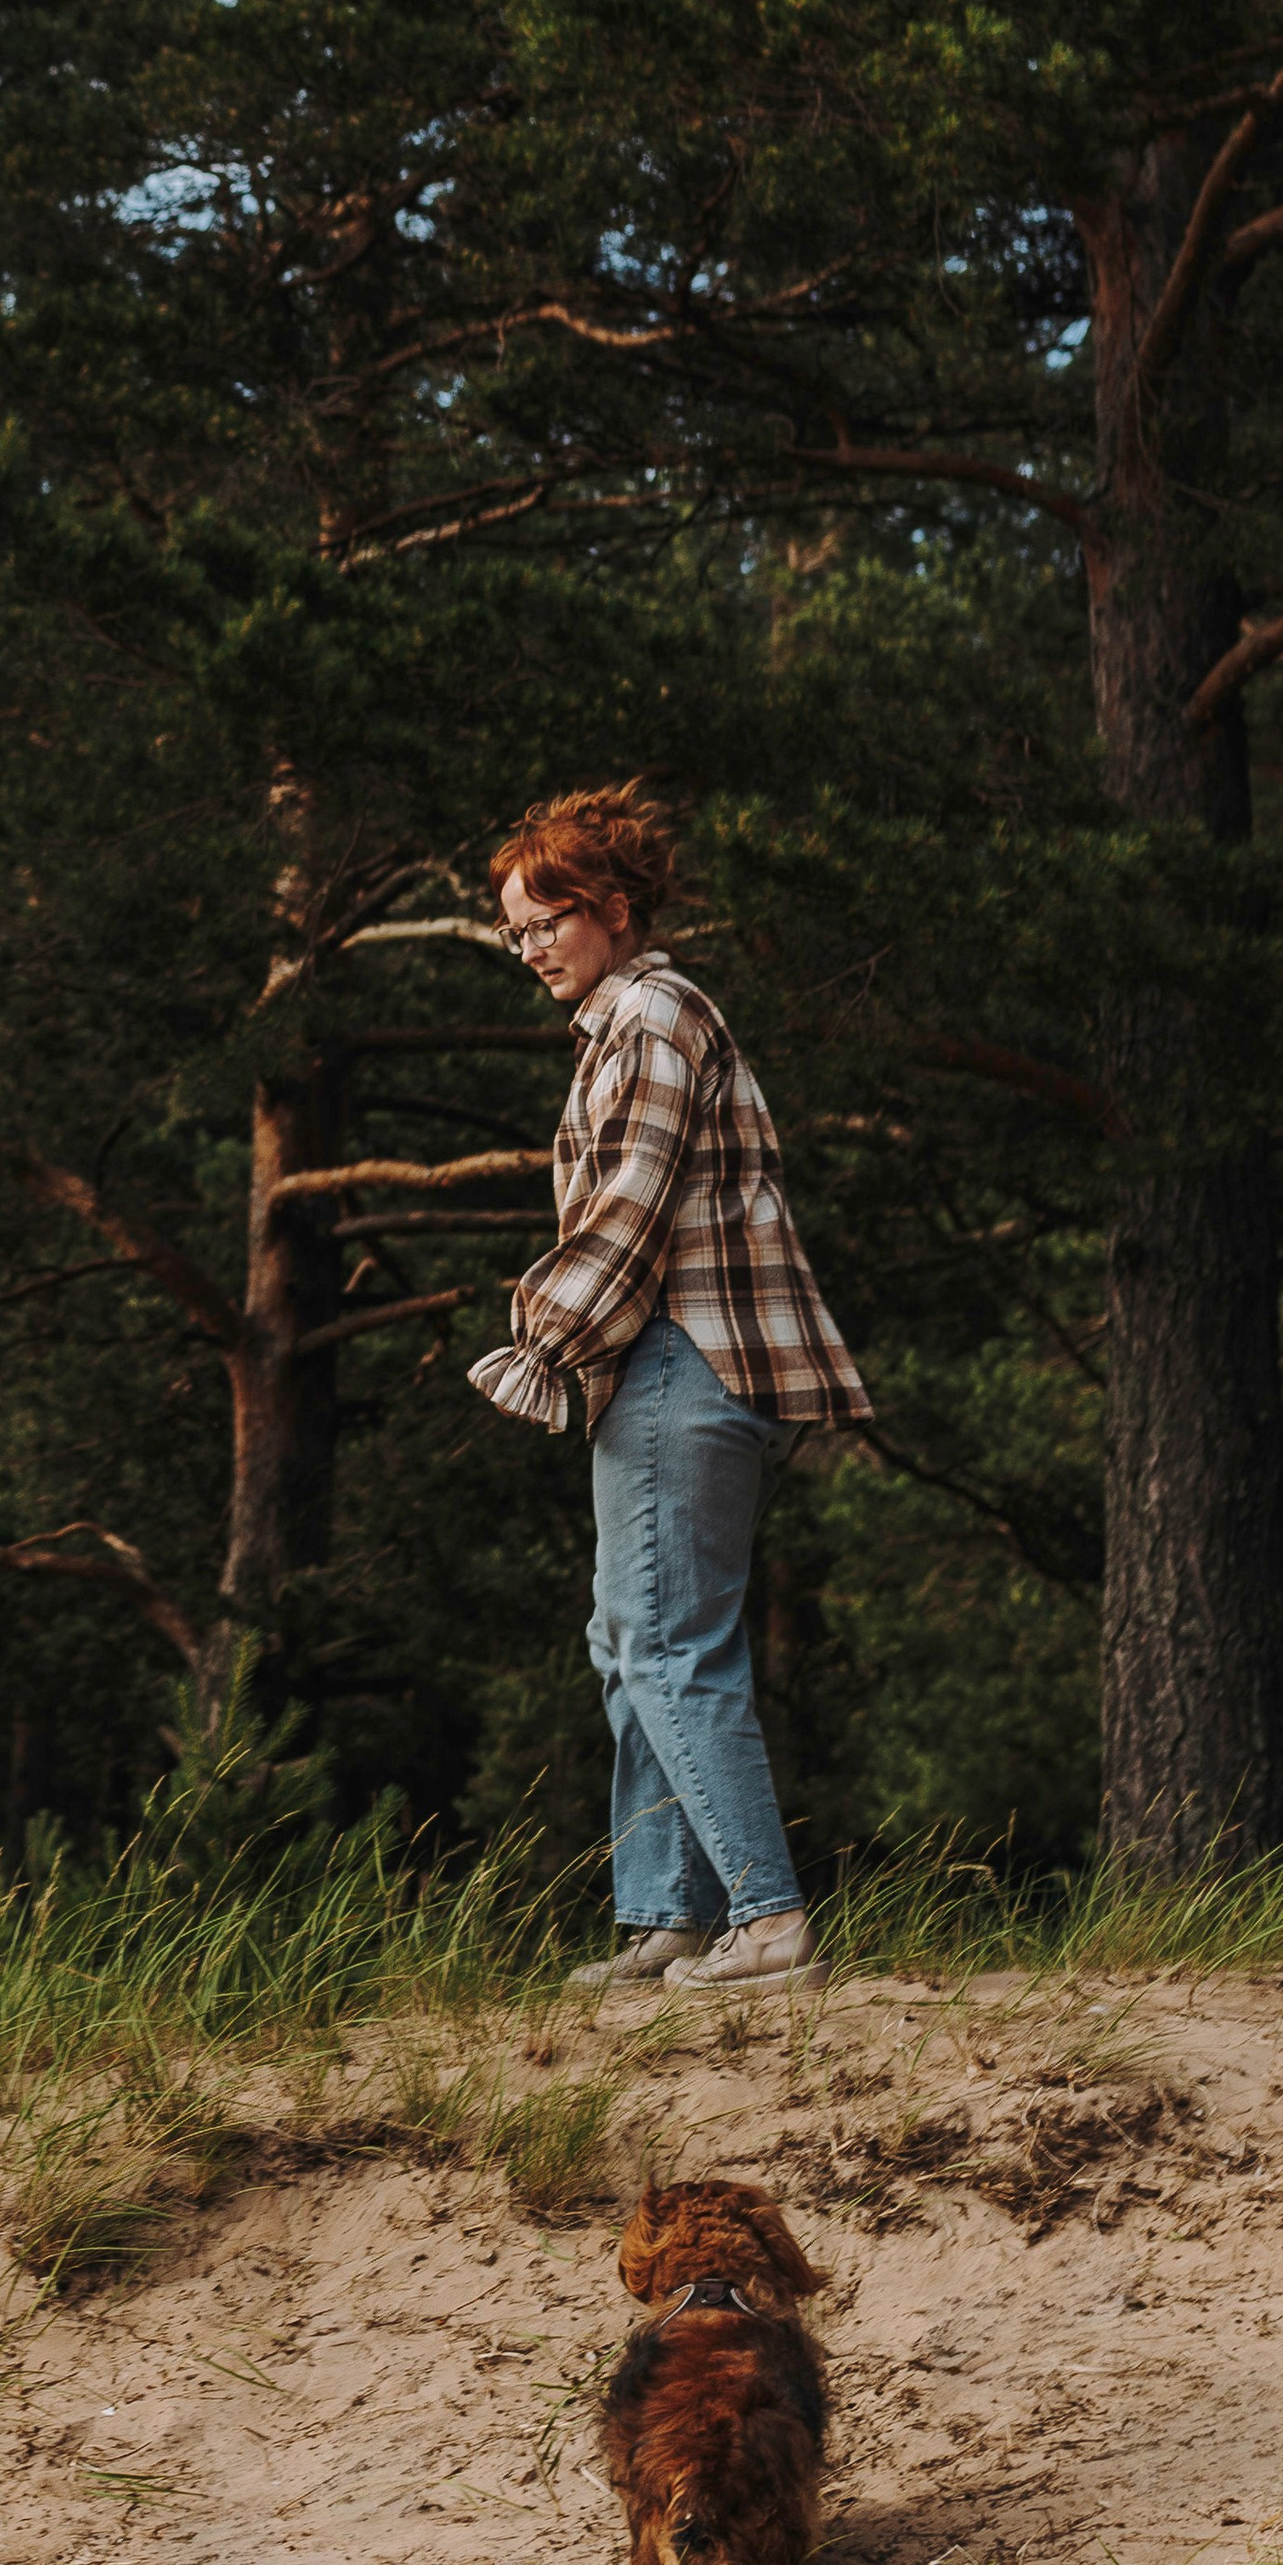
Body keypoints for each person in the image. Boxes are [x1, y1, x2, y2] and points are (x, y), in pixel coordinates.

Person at [467, 783, 871, 1991]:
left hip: (676, 1354)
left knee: (668, 1642)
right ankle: (668, 1918)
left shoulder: (648, 1015)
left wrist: (539, 1339)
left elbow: (628, 1212)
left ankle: (767, 1920)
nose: (529, 947)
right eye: (514, 930)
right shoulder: (627, 1021)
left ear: (612, 909)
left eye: (546, 920)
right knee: (625, 1635)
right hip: (666, 1359)